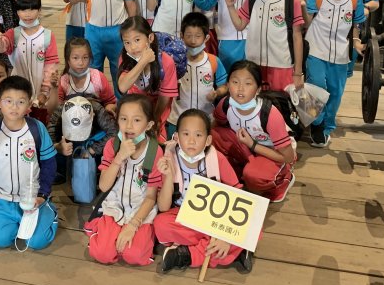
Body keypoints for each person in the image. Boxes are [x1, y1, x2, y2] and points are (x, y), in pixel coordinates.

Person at [154, 109, 253, 274]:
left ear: (208, 140)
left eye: (198, 135)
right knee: (160, 224)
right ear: (176, 137)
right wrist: (169, 175)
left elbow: (238, 196)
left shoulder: (217, 158)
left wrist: (225, 236)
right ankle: (235, 250)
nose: (191, 141)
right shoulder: (168, 159)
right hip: (184, 215)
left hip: (217, 218)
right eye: (186, 134)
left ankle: (187, 255)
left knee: (252, 224)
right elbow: (163, 208)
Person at [0, 76, 58, 250]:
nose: (14, 107)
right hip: (0, 199)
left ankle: (49, 211)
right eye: (8, 101)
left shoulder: (37, 128)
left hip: (32, 199)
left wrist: (43, 194)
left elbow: (49, 163)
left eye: (20, 102)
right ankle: (16, 223)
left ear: (29, 104)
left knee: (38, 242)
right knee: (0, 241)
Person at [84, 94, 163, 266]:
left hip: (140, 211)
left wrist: (133, 225)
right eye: (123, 119)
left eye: (137, 120)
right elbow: (103, 186)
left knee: (134, 255)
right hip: (114, 208)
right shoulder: (112, 145)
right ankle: (103, 228)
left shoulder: (154, 151)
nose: (129, 126)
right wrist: (119, 158)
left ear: (149, 125)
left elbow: (151, 197)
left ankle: (140, 235)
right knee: (102, 253)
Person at [303, 0, 367, 148]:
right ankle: (315, 123)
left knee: (335, 92)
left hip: (341, 54)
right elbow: (307, 23)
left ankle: (326, 127)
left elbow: (356, 25)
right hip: (315, 50)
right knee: (314, 86)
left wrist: (356, 41)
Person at [211, 61, 296, 202]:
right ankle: (240, 172)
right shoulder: (225, 104)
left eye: (248, 83)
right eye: (235, 82)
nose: (240, 89)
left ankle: (283, 180)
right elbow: (216, 126)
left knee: (253, 176)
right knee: (212, 136)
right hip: (247, 147)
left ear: (258, 90)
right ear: (227, 85)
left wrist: (253, 145)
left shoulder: (269, 114)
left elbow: (288, 157)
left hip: (276, 153)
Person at [224, 0, 305, 92]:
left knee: (280, 102)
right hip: (254, 65)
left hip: (282, 66)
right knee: (257, 102)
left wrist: (298, 72)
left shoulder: (292, 1)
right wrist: (230, 6)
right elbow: (240, 25)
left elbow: (297, 37)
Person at [0, 0, 60, 113]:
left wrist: (45, 92)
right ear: (17, 12)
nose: (27, 14)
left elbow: (51, 67)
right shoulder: (13, 33)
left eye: (32, 9)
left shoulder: (47, 36)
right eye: (23, 10)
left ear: (39, 10)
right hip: (16, 91)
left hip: (39, 92)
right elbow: (1, 46)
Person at [166, 12, 228, 140]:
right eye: (188, 36)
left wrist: (217, 92)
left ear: (206, 38)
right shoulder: (173, 61)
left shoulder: (213, 61)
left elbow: (224, 86)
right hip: (176, 119)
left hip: (206, 119)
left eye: (198, 36)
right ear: (181, 35)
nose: (193, 41)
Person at [117, 16, 178, 140]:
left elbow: (164, 98)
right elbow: (122, 87)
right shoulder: (125, 58)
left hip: (157, 113)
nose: (132, 47)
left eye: (137, 40)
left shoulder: (166, 61)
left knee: (155, 143)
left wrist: (154, 120)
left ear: (150, 38)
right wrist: (143, 62)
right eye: (127, 42)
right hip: (133, 111)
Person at [56, 37, 117, 113]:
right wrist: (54, 88)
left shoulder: (98, 77)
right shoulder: (63, 81)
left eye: (85, 57)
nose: (81, 63)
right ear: (68, 60)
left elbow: (110, 102)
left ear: (90, 58)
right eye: (75, 58)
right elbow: (56, 107)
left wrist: (109, 108)